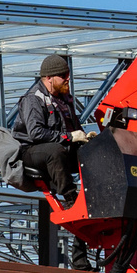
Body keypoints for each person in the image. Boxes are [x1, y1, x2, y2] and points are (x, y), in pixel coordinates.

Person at [15, 54, 97, 199]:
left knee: (95, 151)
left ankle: (97, 196)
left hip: (60, 147)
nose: (68, 79)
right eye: (63, 76)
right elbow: (36, 133)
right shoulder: (34, 99)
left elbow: (74, 127)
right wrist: (70, 137)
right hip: (31, 151)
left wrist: (86, 139)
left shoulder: (65, 99)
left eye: (68, 74)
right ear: (49, 78)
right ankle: (70, 198)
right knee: (55, 151)